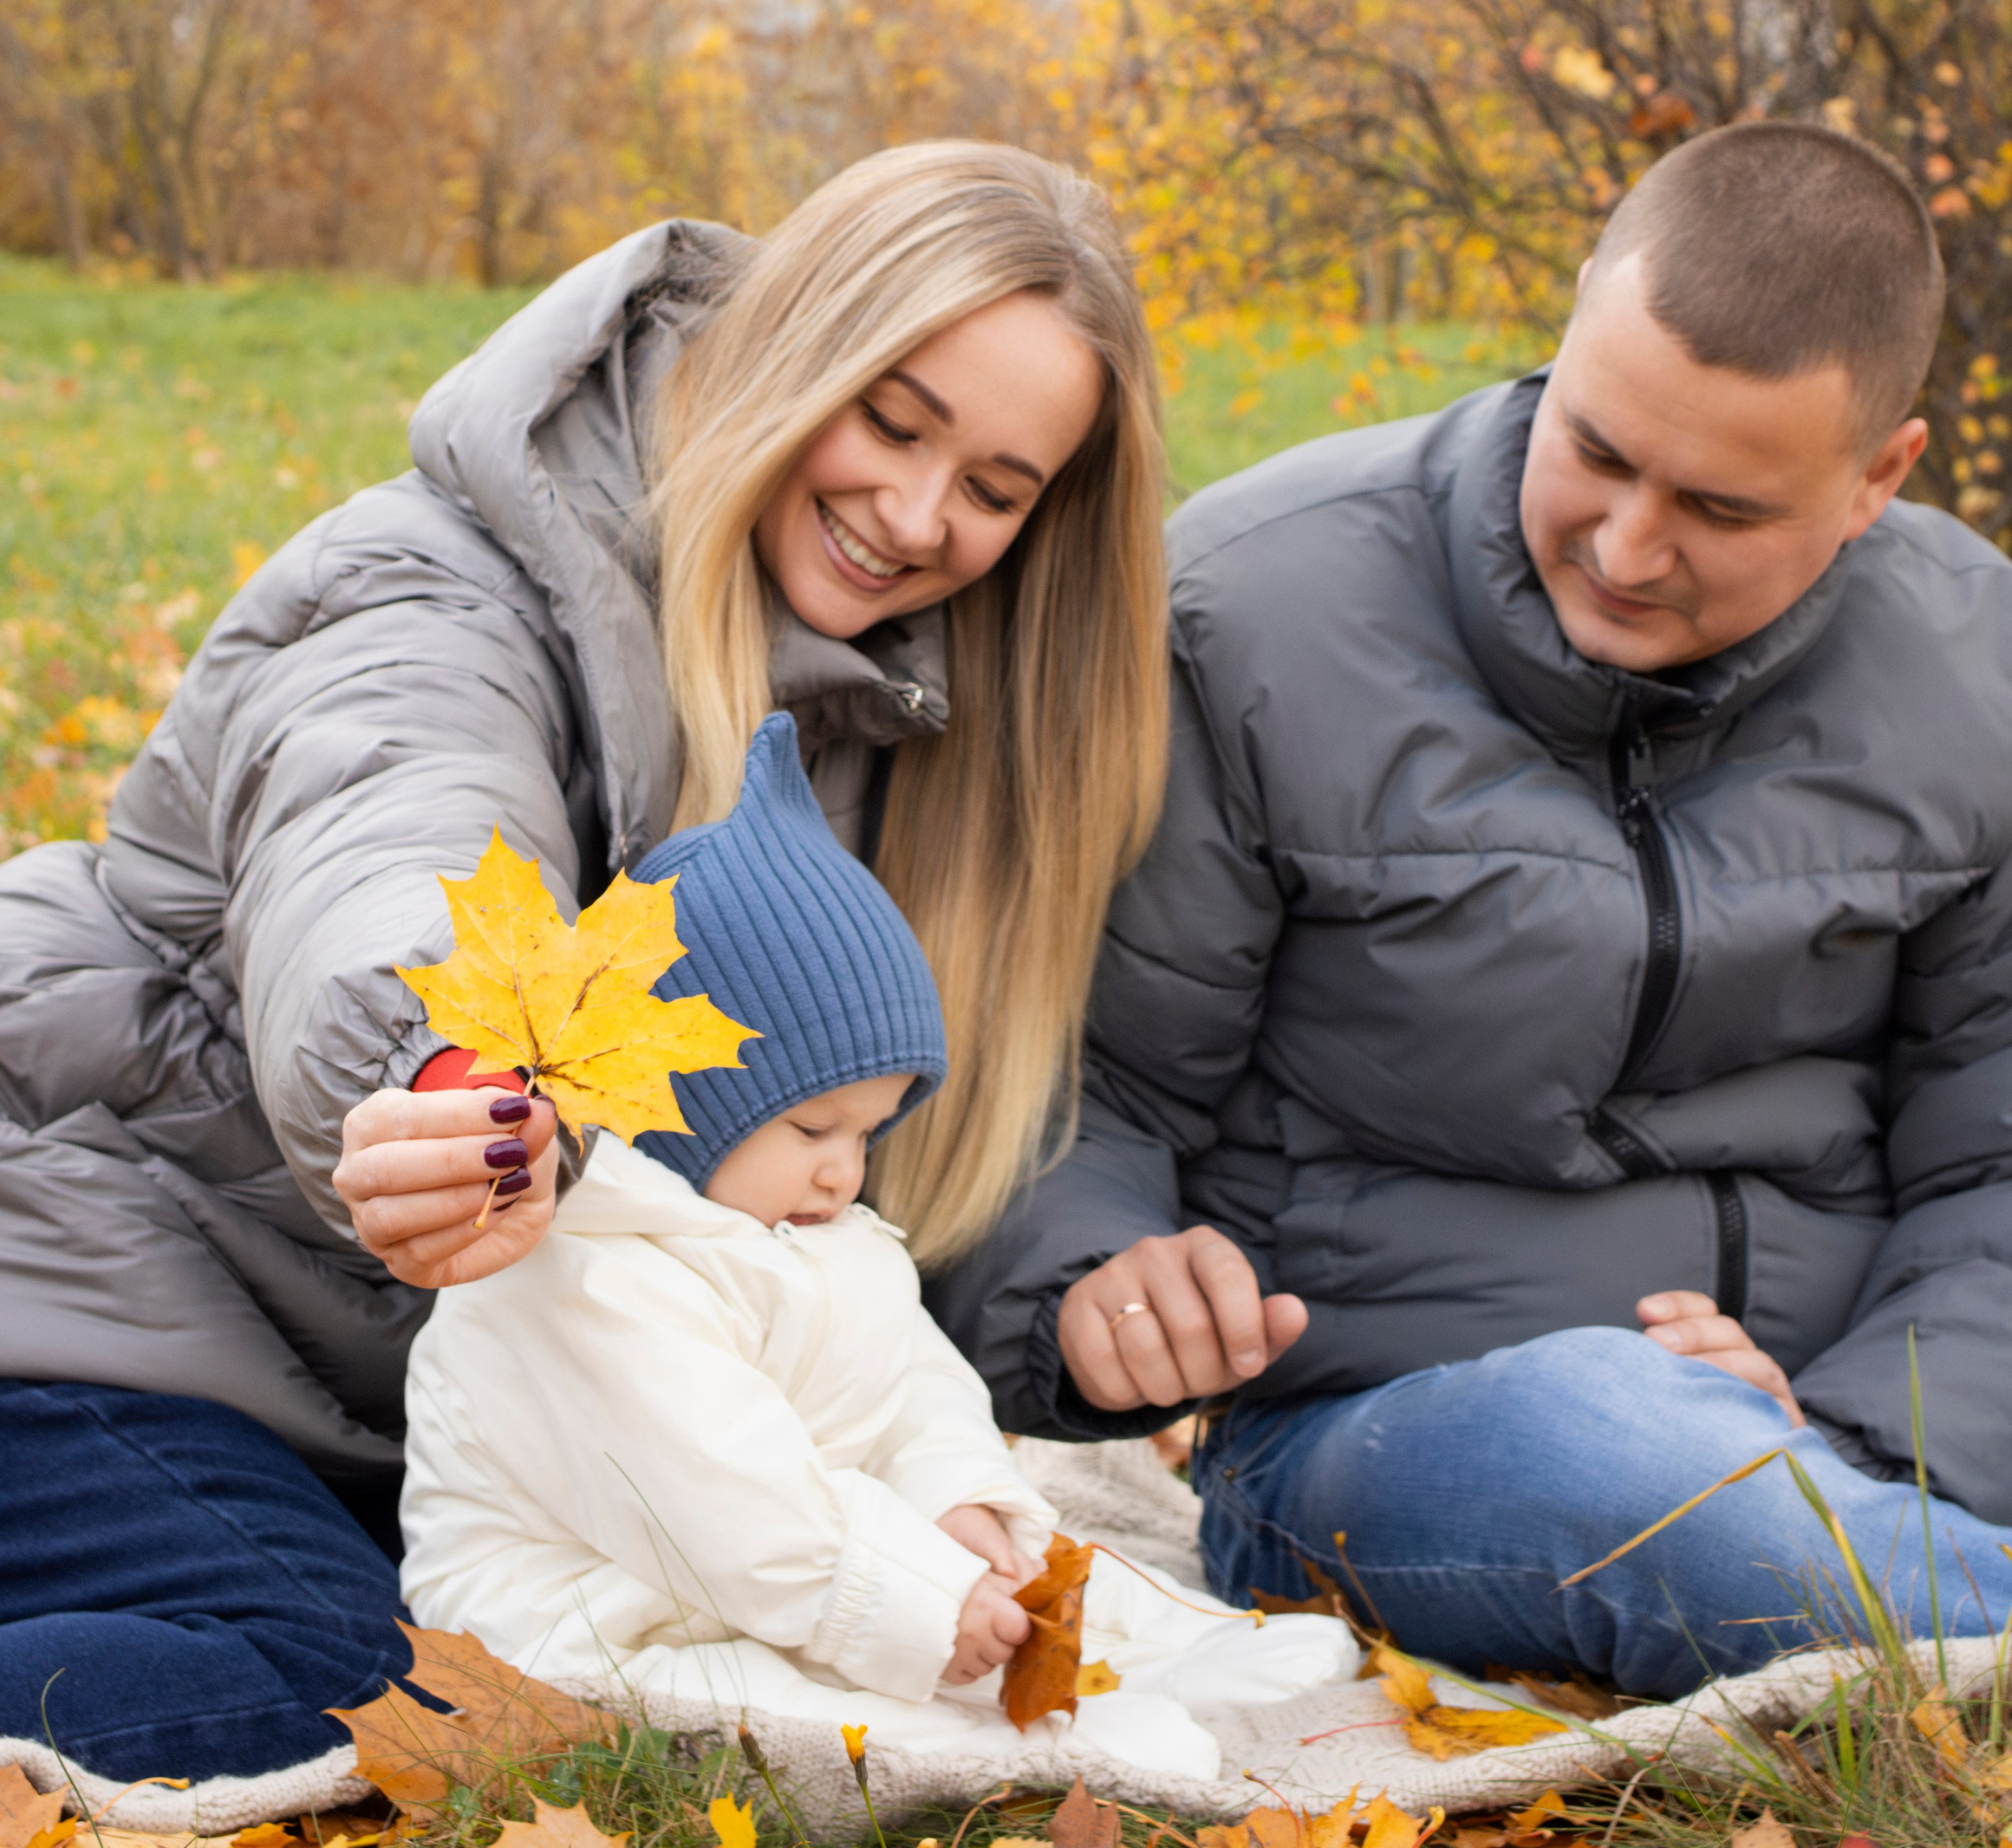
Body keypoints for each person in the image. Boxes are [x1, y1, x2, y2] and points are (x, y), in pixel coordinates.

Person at [934, 123, 2012, 1697]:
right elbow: (1065, 1070)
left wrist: (1871, 1434)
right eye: (1597, 448)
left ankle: (1941, 1594)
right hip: (1414, 1436)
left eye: (1722, 512)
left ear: (1882, 476)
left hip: (1898, 1412)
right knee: (1638, 1460)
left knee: (1816, 1470)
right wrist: (1086, 1280)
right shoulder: (1248, 611)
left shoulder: (1999, 671)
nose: (1625, 545)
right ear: (1581, 313)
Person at [0, 142, 1169, 1781]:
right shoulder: (435, 588)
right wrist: (459, 1087)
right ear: (782, 351)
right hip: (56, 1292)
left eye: (996, 487)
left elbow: (860, 1200)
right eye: (891, 421)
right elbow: (399, 828)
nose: (916, 514)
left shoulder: (900, 720)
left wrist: (1088, 1297)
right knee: (345, 1682)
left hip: (325, 1398)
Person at [401, 710, 1358, 1785]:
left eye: (870, 1132)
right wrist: (913, 1603)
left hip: (793, 1580)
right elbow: (726, 1494)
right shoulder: (586, 1271)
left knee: (1014, 1573)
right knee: (782, 1716)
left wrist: (961, 1503)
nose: (844, 1172)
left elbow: (912, 1385)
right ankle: (1022, 1747)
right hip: (598, 1620)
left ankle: (1159, 1651)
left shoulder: (818, 1237)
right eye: (814, 1130)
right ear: (681, 1107)